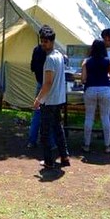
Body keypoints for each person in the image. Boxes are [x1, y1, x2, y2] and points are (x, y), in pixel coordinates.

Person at [32, 25, 70, 169]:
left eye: (46, 41)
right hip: (59, 99)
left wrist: (38, 100)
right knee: (58, 129)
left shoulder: (50, 60)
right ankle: (65, 157)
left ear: (52, 41)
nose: (43, 44)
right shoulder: (59, 55)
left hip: (50, 100)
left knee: (45, 132)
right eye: (42, 41)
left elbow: (47, 83)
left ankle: (48, 161)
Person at [81, 39, 110, 153]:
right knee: (105, 117)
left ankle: (86, 145)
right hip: (105, 90)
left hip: (90, 89)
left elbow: (83, 79)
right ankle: (107, 146)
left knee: (89, 117)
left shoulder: (86, 61)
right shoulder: (108, 61)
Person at [26, 43, 46, 148]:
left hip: (39, 82)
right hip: (47, 84)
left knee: (37, 114)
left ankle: (32, 140)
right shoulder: (48, 52)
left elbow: (32, 67)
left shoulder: (36, 50)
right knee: (51, 114)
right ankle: (51, 142)